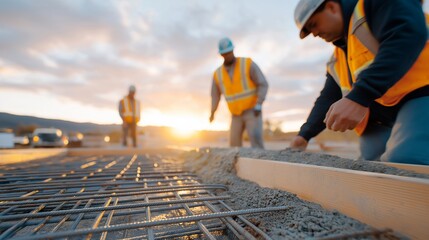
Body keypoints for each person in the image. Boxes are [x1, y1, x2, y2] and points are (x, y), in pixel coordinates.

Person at [291, 0, 429, 165]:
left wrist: (360, 96)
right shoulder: (338, 58)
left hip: (421, 93)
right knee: (369, 165)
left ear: (331, 7)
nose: (314, 33)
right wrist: (304, 135)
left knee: (407, 161)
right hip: (381, 116)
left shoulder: (374, 5)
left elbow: (406, 34)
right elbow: (328, 98)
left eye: (313, 24)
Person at [210, 37, 269, 148]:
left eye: (229, 52)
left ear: (233, 50)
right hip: (235, 114)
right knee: (234, 144)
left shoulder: (247, 64)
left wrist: (259, 104)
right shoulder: (217, 74)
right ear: (221, 55)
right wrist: (213, 112)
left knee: (255, 139)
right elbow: (215, 96)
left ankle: (259, 163)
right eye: (224, 54)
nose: (227, 55)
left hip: (252, 110)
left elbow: (263, 84)